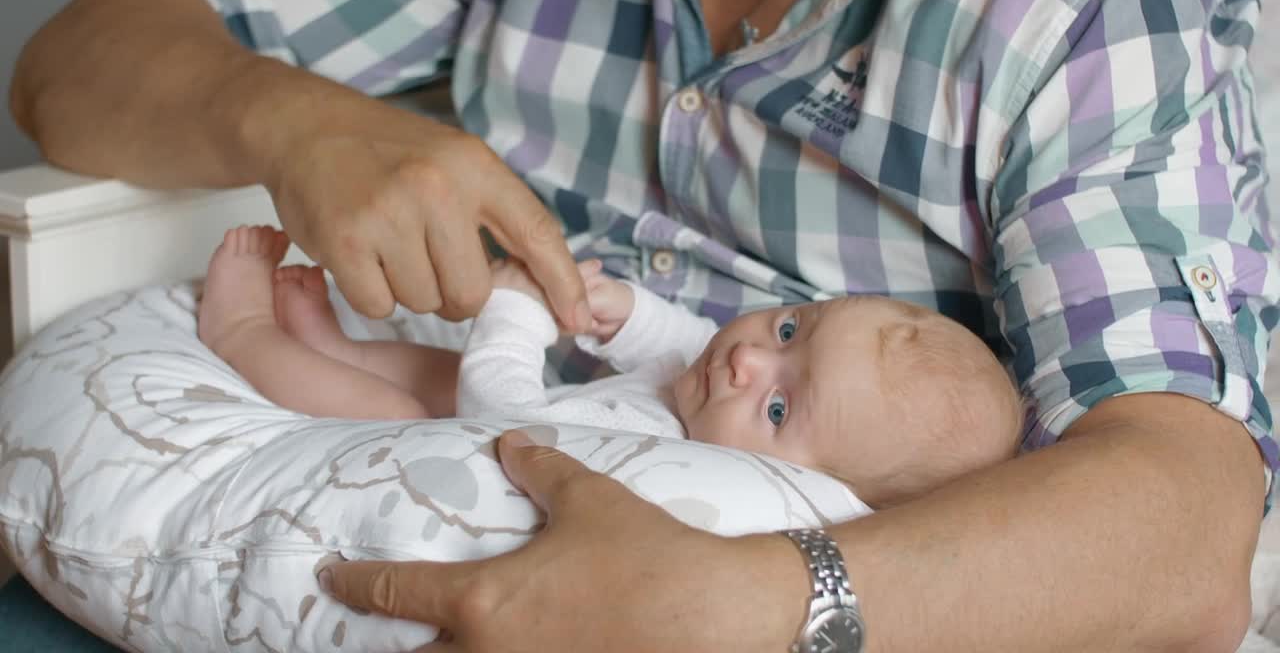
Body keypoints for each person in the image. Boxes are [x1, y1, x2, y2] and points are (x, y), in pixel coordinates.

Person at [9, 0, 1277, 650]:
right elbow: (73, 64)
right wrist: (285, 118)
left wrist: (764, 601)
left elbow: (1183, 523)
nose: (751, 359)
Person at [199, 224, 1024, 510]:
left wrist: (517, 311)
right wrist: (626, 313)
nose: (745, 361)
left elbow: (501, 419)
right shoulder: (718, 401)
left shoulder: (660, 458)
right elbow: (686, 345)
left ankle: (241, 332)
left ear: (814, 489)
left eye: (779, 407)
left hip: (483, 448)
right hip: (497, 415)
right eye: (789, 327)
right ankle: (337, 347)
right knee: (439, 369)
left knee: (412, 413)